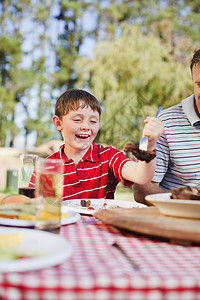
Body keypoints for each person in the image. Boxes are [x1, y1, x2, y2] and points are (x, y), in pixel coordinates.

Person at [36, 89, 163, 200]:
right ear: (58, 123)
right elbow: (34, 205)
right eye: (77, 120)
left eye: (93, 121)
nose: (86, 127)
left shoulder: (108, 156)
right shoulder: (46, 167)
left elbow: (141, 176)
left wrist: (149, 146)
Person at [133, 48, 200, 205]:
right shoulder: (167, 122)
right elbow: (142, 191)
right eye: (199, 84)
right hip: (179, 220)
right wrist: (191, 199)